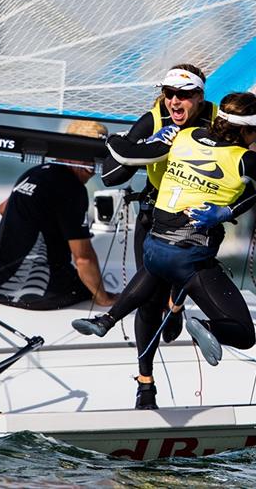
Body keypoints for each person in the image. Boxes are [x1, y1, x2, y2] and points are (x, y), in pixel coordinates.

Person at [93, 92, 256, 409]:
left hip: (153, 243)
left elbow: (125, 153)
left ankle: (111, 321)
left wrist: (116, 140)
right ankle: (201, 325)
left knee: (152, 284)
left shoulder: (185, 135)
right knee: (244, 334)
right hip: (189, 259)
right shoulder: (246, 159)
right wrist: (226, 211)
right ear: (246, 131)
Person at [72, 64, 217, 340]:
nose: (174, 100)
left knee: (178, 281)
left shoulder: (216, 119)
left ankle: (175, 308)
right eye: (169, 93)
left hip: (197, 219)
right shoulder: (155, 118)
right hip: (154, 215)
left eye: (183, 94)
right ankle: (145, 381)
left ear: (200, 96)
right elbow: (111, 176)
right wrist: (147, 147)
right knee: (149, 301)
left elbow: (250, 151)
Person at [0, 120, 119, 310]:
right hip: (36, 293)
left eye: (96, 159)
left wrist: (46, 221)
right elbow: (83, 259)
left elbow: (3, 208)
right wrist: (104, 299)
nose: (92, 167)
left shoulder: (34, 172)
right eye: (89, 158)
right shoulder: (72, 188)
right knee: (99, 289)